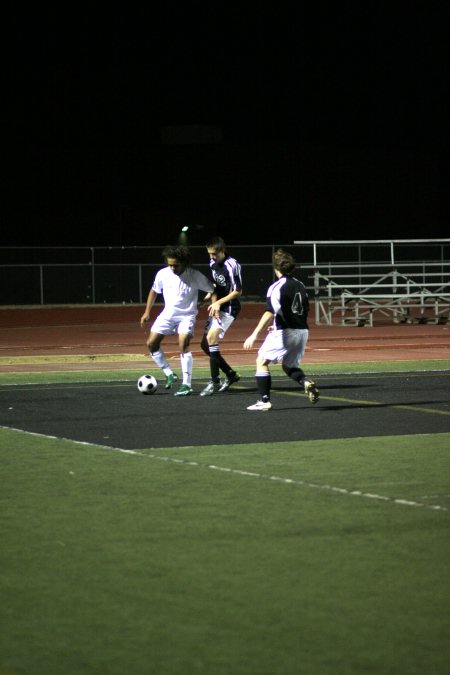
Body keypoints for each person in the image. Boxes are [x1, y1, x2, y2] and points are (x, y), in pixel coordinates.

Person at [243, 248, 319, 411]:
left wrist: (254, 334)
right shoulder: (300, 285)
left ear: (275, 268)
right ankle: (305, 382)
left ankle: (264, 401)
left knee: (261, 361)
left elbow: (269, 311)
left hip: (286, 332)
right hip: (302, 331)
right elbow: (304, 309)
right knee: (288, 365)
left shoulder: (276, 287)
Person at [140, 244, 214, 396]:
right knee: (151, 343)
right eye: (170, 265)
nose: (172, 268)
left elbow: (212, 289)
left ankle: (186, 384)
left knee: (183, 343)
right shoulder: (162, 274)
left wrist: (210, 305)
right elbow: (154, 291)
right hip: (167, 314)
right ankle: (169, 373)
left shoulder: (195, 275)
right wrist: (147, 312)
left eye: (176, 265)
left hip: (187, 316)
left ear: (184, 263)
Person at [199, 236, 243, 396]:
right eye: (209, 254)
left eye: (214, 254)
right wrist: (209, 300)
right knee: (205, 345)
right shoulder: (212, 263)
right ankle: (230, 374)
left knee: (211, 338)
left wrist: (218, 304)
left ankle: (214, 381)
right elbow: (215, 286)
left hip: (230, 307)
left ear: (222, 251)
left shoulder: (233, 265)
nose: (211, 257)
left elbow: (238, 291)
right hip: (219, 306)